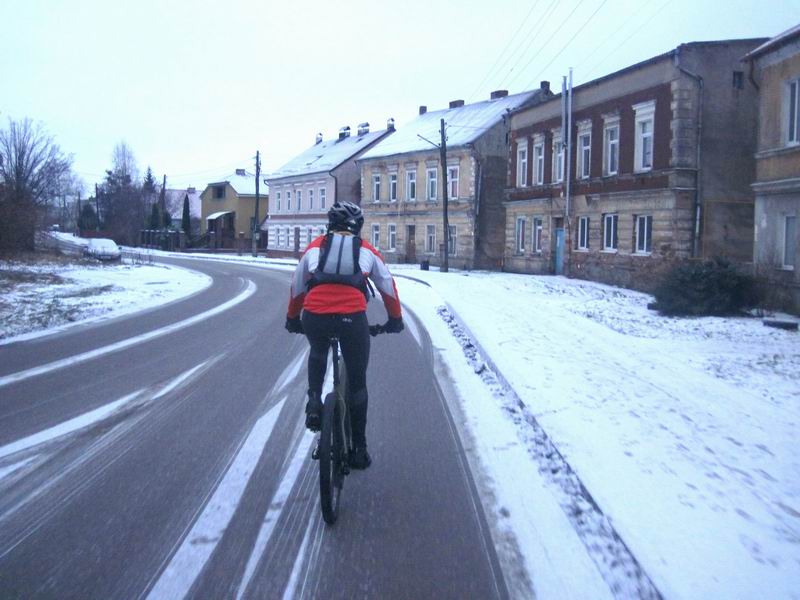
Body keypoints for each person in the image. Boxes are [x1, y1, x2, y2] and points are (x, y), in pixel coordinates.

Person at [285, 201, 403, 469]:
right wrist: (395, 319)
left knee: (317, 351)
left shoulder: (315, 248)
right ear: (358, 227)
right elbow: (387, 286)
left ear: (330, 225)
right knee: (358, 382)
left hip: (315, 315)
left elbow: (297, 286)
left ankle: (314, 401)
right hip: (352, 318)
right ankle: (359, 449)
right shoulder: (366, 250)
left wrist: (292, 318)